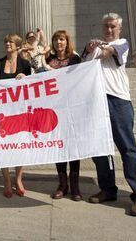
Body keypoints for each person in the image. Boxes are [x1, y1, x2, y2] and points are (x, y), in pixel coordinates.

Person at [83, 13, 136, 216]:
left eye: (112, 26)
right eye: (106, 26)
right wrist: (87, 49)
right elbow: (82, 67)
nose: (109, 30)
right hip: (96, 102)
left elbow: (108, 53)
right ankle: (108, 189)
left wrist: (98, 48)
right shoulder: (96, 47)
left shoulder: (123, 43)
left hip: (117, 101)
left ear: (119, 28)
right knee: (100, 150)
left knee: (127, 148)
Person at [0, 33, 31, 198]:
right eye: (6, 41)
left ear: (17, 45)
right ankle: (7, 181)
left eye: (10, 42)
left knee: (20, 145)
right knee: (4, 146)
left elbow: (33, 85)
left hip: (20, 111)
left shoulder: (25, 64)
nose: (7, 44)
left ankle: (18, 179)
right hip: (3, 112)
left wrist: (26, 78)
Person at [46, 30, 82, 201]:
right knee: (59, 146)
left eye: (61, 39)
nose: (59, 42)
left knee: (73, 148)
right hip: (55, 109)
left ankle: (75, 186)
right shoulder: (48, 60)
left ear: (67, 42)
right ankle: (62, 185)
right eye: (56, 40)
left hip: (71, 108)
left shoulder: (75, 59)